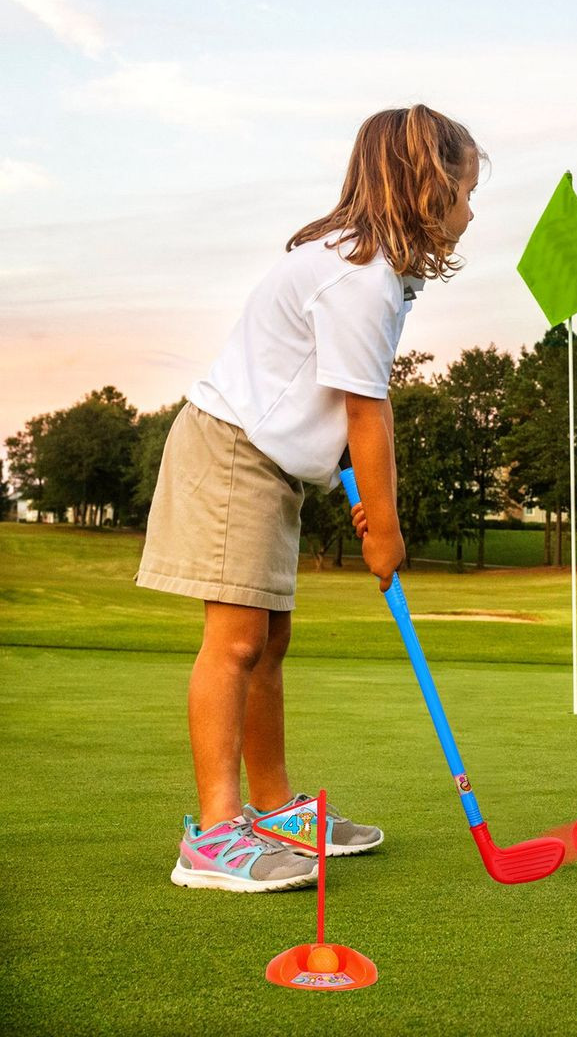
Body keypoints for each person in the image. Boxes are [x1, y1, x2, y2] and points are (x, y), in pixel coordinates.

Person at [137, 106, 482, 889]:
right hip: (233, 453)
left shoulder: (375, 270)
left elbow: (329, 398)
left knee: (269, 642)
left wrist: (345, 483)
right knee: (235, 644)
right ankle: (217, 837)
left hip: (267, 463)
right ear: (429, 186)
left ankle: (272, 809)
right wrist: (385, 531)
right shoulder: (359, 277)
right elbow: (367, 410)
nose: (470, 208)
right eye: (464, 189)